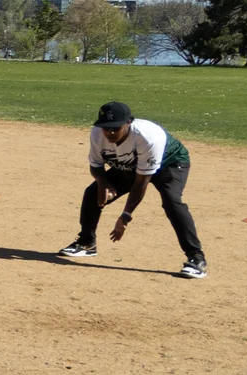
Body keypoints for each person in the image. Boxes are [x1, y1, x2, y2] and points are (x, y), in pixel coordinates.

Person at [61, 100, 206, 278]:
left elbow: (140, 182)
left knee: (171, 200)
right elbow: (96, 165)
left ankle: (196, 258)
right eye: (106, 127)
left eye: (115, 127)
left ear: (128, 122)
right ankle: (86, 243)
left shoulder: (148, 137)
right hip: (131, 164)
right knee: (92, 193)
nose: (110, 132)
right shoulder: (98, 134)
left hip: (170, 162)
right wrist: (102, 183)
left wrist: (125, 216)